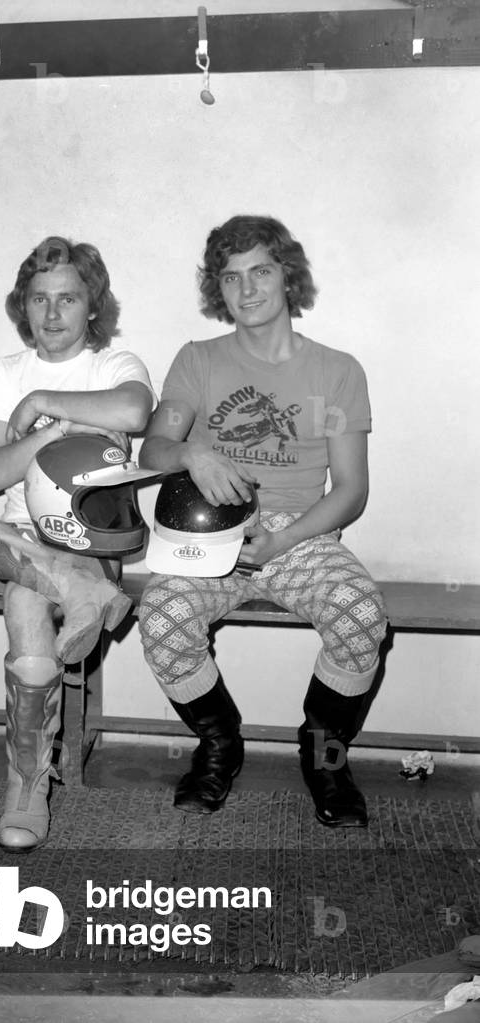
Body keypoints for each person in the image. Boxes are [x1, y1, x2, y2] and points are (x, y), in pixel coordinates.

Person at [136, 215, 388, 828]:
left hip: (300, 532)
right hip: (208, 533)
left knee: (361, 613)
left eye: (261, 272)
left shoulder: (337, 371)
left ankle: (324, 757)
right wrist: (191, 453)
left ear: (286, 276)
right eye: (230, 277)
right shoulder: (197, 360)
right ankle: (219, 743)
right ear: (217, 290)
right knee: (161, 614)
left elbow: (351, 490)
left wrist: (282, 540)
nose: (246, 289)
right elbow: (153, 450)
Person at [0, 236, 155, 852]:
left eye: (67, 298)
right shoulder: (3, 374)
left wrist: (42, 406)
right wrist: (58, 432)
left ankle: (26, 787)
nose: (52, 312)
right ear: (24, 305)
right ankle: (80, 595)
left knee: (23, 601)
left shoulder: (114, 367)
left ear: (92, 305)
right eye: (39, 299)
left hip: (90, 541)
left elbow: (134, 412)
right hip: (15, 538)